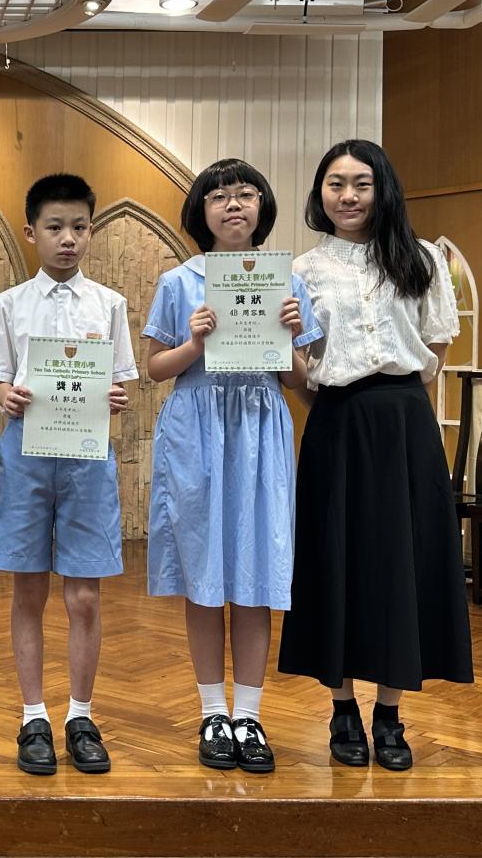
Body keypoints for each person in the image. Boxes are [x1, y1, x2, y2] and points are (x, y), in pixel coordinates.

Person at [278, 138, 473, 771]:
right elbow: (297, 366)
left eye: (361, 183)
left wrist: (400, 406)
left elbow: (435, 349)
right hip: (335, 419)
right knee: (334, 557)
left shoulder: (421, 258)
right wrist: (324, 398)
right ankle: (342, 708)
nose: (348, 196)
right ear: (320, 193)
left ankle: (389, 713)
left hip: (406, 421)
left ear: (382, 188)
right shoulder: (303, 270)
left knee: (401, 562)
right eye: (335, 184)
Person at [142, 159, 321, 773]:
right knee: (204, 574)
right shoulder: (178, 281)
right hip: (197, 428)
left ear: (262, 206)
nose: (233, 205)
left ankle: (249, 715)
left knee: (255, 572)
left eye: (245, 194)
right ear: (202, 211)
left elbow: (299, 382)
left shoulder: (286, 280)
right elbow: (154, 369)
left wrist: (290, 339)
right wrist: (193, 343)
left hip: (260, 427)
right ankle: (212, 712)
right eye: (219, 196)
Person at [0, 173, 137, 776]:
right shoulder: (9, 304)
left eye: (79, 227)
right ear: (31, 232)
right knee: (28, 590)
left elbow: (120, 382)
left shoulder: (110, 304)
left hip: (87, 456)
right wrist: (7, 397)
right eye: (55, 227)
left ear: (91, 231)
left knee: (85, 595)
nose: (68, 239)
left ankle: (81, 715)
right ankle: (33, 717)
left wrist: (116, 397)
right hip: (26, 452)